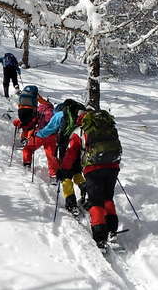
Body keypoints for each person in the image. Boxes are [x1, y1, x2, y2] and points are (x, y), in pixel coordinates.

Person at [56, 107, 122, 250]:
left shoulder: (79, 131)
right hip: (113, 166)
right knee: (108, 198)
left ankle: (100, 238)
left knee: (96, 201)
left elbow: (71, 154)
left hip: (94, 169)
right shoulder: (106, 126)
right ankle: (112, 230)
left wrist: (63, 169)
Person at [36, 99, 87, 215]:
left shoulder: (60, 114)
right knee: (77, 170)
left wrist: (38, 134)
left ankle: (71, 203)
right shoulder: (81, 113)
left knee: (66, 174)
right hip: (81, 147)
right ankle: (85, 191)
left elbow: (49, 129)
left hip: (66, 147)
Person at [12, 98, 59, 184]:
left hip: (40, 135)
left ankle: (27, 163)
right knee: (51, 155)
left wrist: (18, 123)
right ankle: (53, 175)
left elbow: (30, 121)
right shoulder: (54, 112)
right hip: (52, 137)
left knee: (28, 148)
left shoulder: (39, 110)